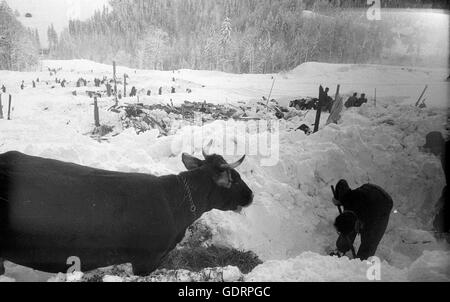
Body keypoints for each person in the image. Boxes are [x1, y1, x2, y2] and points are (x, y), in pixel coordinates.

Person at [331, 179, 393, 260]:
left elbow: (363, 226)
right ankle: (340, 250)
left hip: (383, 203)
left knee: (370, 241)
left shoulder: (372, 218)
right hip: (367, 191)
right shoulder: (347, 199)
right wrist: (337, 198)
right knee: (347, 227)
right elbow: (342, 183)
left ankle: (361, 262)